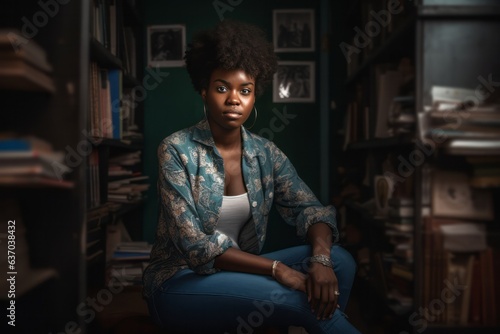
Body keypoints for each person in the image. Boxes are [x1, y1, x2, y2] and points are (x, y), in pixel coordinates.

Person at [143, 20, 361, 334]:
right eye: (222, 88)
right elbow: (196, 247)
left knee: (341, 261)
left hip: (239, 277)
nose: (234, 99)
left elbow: (310, 210)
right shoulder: (176, 150)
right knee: (305, 304)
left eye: (245, 90)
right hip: (179, 282)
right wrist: (277, 269)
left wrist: (322, 260)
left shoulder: (265, 153)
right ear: (203, 91)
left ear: (254, 96)